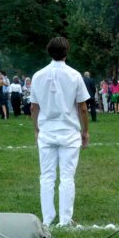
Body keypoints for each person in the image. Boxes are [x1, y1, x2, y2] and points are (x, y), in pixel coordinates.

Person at [30, 37, 90, 228]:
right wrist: (86, 131)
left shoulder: (38, 75)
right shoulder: (74, 75)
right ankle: (64, 220)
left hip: (47, 131)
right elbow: (82, 108)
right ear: (67, 52)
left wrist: (37, 129)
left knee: (46, 176)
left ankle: (47, 218)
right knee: (67, 177)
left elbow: (33, 107)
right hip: (69, 132)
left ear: (49, 52)